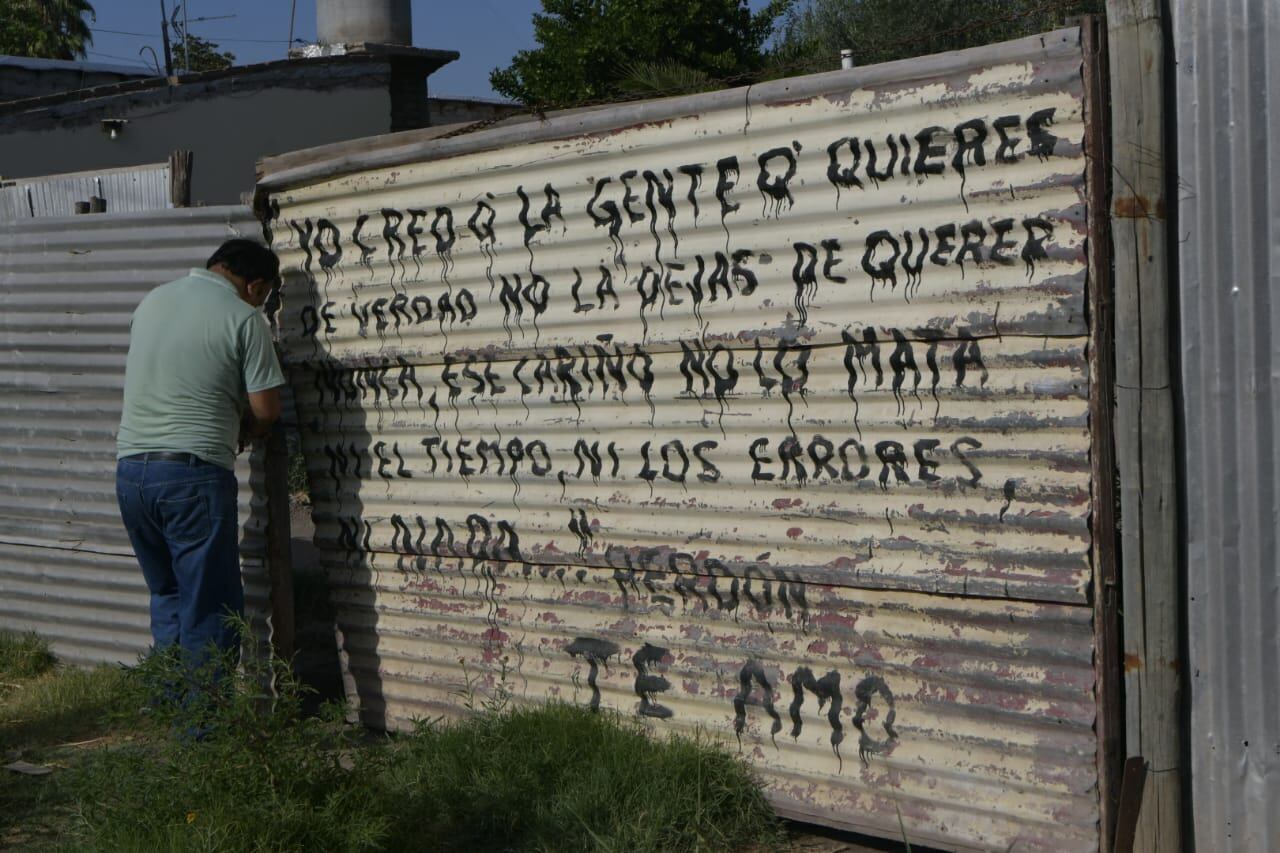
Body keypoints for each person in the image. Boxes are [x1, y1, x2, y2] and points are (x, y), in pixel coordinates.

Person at [115, 239, 285, 672]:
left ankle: (172, 709)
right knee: (210, 605)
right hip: (192, 476)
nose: (261, 303)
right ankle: (204, 731)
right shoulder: (245, 318)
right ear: (255, 285)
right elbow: (266, 409)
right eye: (264, 296)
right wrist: (250, 429)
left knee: (168, 594)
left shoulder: (153, 301)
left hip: (132, 473)